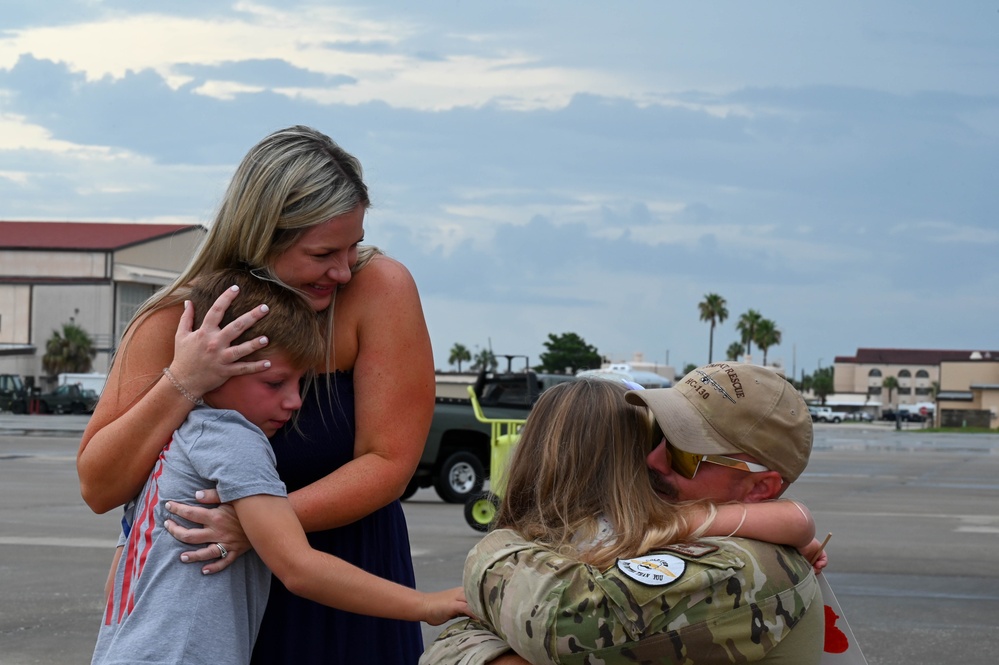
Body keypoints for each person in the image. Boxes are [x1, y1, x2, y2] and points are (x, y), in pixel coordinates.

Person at [77, 125, 436, 664]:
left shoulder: (379, 291)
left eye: (353, 245)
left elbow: (389, 462)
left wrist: (259, 525)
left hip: (346, 584)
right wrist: (184, 380)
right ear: (261, 235)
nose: (343, 269)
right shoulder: (174, 321)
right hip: (209, 603)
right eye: (322, 253)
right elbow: (99, 487)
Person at [92, 269, 466, 664]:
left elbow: (116, 582)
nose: (294, 401)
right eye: (275, 384)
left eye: (299, 384)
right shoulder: (236, 441)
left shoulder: (171, 440)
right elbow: (298, 568)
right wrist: (426, 605)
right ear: (216, 369)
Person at [422, 362, 825, 665]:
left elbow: (560, 620)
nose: (652, 460)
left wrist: (499, 543)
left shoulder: (745, 561)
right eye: (658, 436)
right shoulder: (668, 534)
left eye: (684, 454)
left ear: (760, 487)